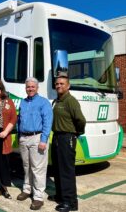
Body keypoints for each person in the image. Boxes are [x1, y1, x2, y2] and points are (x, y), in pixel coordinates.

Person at [50, 76, 86, 212]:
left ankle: (70, 202)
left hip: (67, 138)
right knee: (58, 169)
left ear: (68, 86)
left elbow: (81, 120)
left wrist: (76, 132)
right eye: (57, 83)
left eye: (62, 84)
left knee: (66, 171)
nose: (59, 85)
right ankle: (60, 196)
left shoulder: (71, 101)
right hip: (57, 137)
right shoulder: (57, 100)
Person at [17, 77, 53, 210]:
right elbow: (19, 119)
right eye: (28, 87)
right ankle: (27, 189)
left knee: (38, 168)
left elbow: (47, 122)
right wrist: (20, 135)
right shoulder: (23, 102)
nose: (30, 89)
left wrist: (44, 140)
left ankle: (38, 197)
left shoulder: (43, 102)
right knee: (27, 166)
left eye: (32, 86)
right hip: (24, 138)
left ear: (37, 88)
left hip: (37, 138)